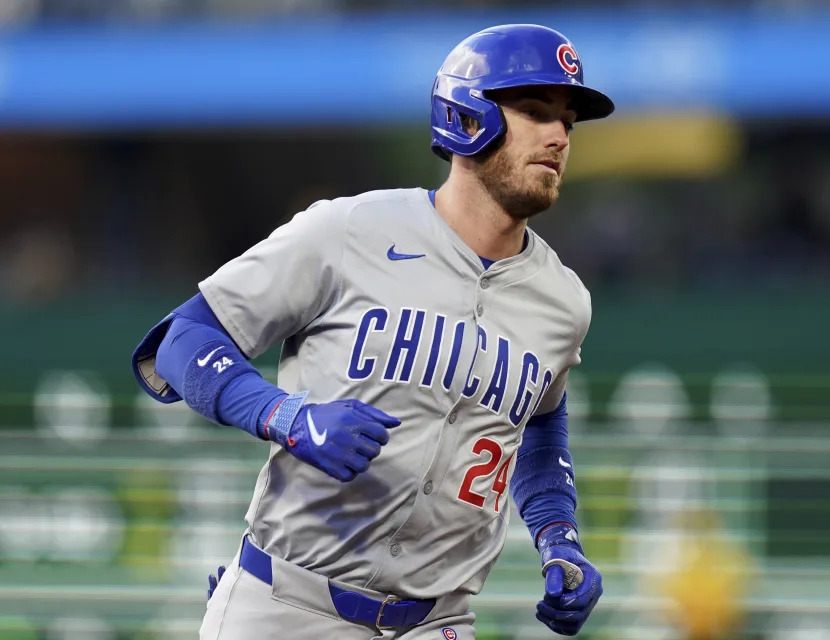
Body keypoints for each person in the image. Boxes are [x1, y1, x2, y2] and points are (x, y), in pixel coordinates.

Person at [131, 23, 614, 639]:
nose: (558, 137)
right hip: (288, 606)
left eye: (568, 121)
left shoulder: (563, 301)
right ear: (467, 117)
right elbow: (179, 342)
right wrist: (284, 416)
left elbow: (539, 423)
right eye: (534, 111)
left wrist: (558, 537)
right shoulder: (350, 230)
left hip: (437, 621)